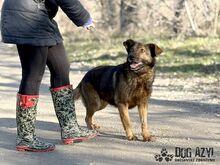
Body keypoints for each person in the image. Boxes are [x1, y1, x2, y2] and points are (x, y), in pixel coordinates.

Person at [1, 0, 97, 152]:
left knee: (61, 67)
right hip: (28, 18)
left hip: (38, 16)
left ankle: (70, 128)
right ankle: (26, 138)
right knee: (32, 74)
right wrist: (83, 18)